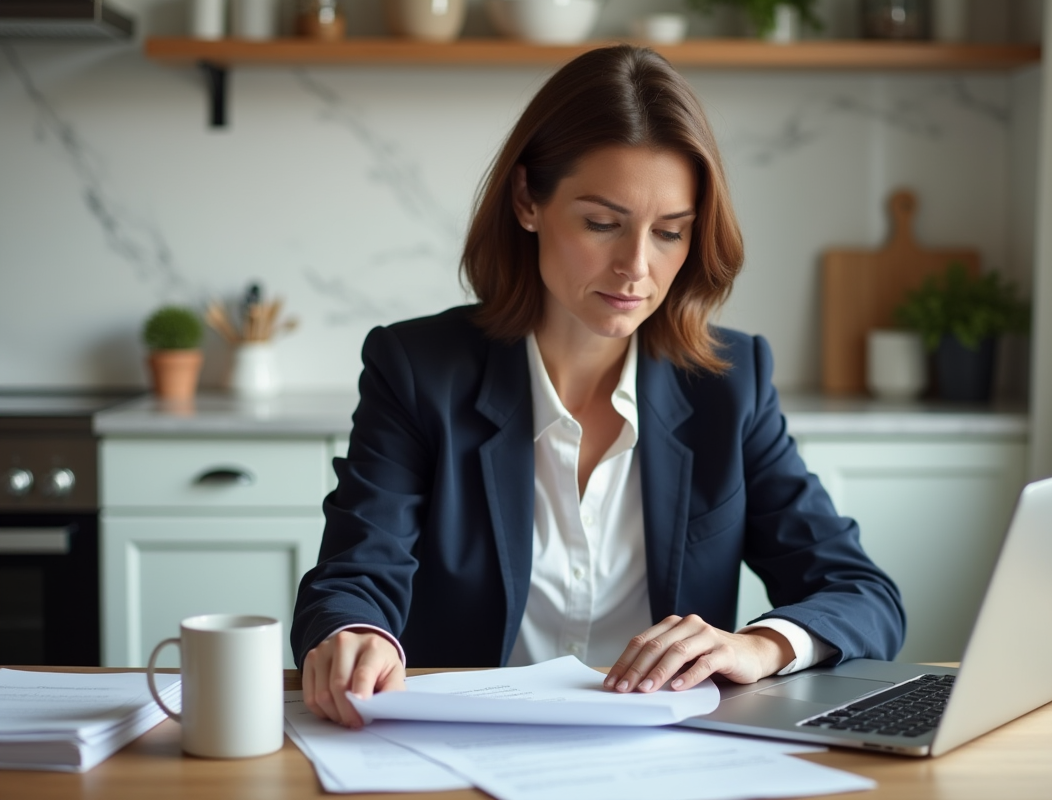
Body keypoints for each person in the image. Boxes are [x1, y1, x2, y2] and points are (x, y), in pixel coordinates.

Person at [292, 44, 904, 729]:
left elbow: (859, 593)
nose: (635, 268)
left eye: (670, 233)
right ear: (528, 199)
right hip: (465, 749)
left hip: (667, 761)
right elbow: (354, 575)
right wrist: (359, 635)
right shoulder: (416, 368)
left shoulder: (729, 383)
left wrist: (759, 647)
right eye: (602, 224)